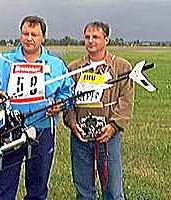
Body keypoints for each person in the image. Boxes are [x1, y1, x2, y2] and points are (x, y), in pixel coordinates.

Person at [0, 15, 74, 200]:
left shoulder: (56, 65)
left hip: (42, 132)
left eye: (34, 34)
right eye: (25, 33)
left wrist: (60, 105)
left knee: (38, 187)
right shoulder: (5, 62)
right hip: (10, 131)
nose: (29, 38)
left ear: (43, 38)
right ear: (20, 36)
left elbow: (68, 92)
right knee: (3, 187)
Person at [63, 21, 134, 200]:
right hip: (80, 138)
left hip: (108, 138)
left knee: (113, 190)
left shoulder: (122, 67)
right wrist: (72, 123)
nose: (90, 41)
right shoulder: (73, 69)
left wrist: (113, 126)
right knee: (84, 190)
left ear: (106, 40)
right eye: (87, 37)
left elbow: (125, 101)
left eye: (95, 37)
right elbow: (67, 102)